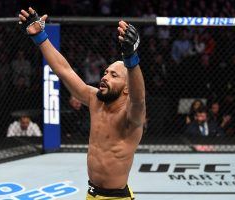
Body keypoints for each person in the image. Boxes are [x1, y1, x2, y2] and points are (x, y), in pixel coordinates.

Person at [19, 7, 145, 200]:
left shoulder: (130, 116)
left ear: (126, 87)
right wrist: (40, 37)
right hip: (91, 193)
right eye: (105, 73)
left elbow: (138, 99)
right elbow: (64, 71)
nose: (105, 77)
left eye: (113, 75)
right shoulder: (95, 100)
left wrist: (130, 59)